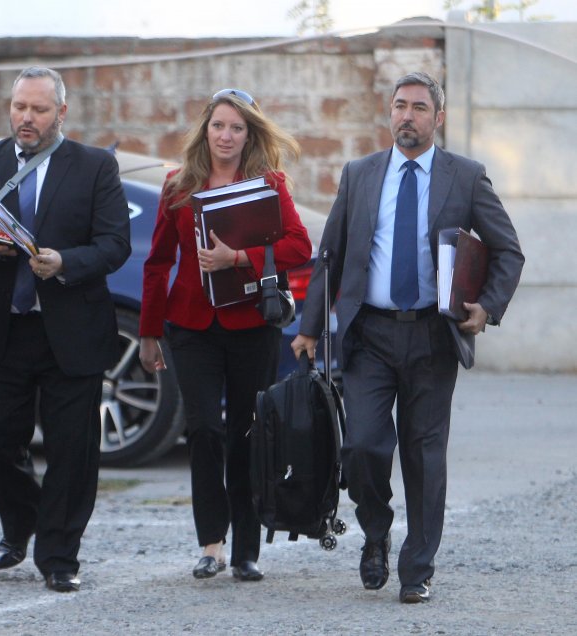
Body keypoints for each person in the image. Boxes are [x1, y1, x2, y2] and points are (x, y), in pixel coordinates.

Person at [291, 72, 524, 604]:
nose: (407, 116)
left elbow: (508, 249)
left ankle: (417, 568)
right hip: (369, 335)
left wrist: (487, 307)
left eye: (419, 107)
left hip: (432, 336)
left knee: (424, 455)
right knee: (362, 446)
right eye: (400, 106)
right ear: (389, 112)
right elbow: (330, 256)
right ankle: (375, 532)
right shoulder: (360, 174)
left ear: (437, 118)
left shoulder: (465, 177)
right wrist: (309, 327)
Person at [0, 66, 131, 593]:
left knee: (73, 451)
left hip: (71, 328)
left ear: (61, 113)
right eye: (19, 107)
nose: (26, 118)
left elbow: (115, 244)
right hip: (1, 327)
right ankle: (23, 518)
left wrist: (65, 261)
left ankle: (58, 557)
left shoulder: (95, 166)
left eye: (39, 109)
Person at [139, 88, 312, 581]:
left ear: (249, 134)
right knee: (203, 430)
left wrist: (238, 258)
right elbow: (157, 263)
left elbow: (299, 245)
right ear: (205, 130)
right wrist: (149, 332)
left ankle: (246, 552)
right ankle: (211, 544)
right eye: (218, 125)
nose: (226, 136)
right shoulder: (178, 185)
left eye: (237, 127)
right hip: (191, 327)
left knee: (245, 433)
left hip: (251, 325)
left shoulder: (268, 183)